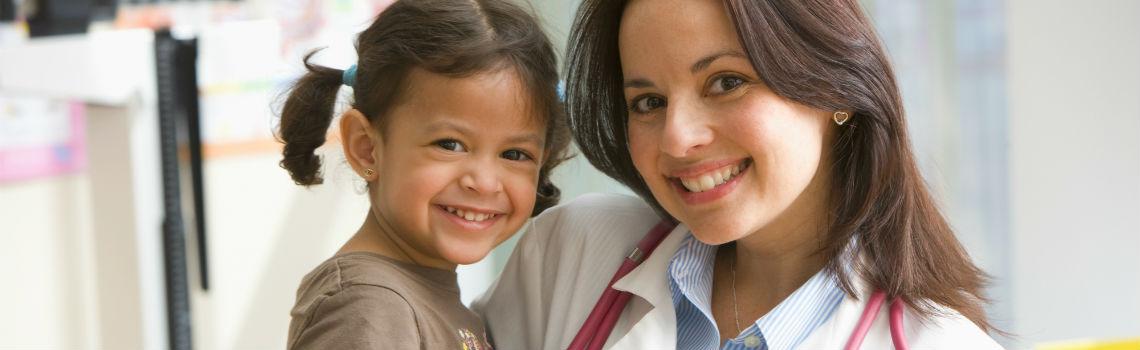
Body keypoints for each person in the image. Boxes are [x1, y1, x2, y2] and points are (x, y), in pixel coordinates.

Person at [474, 0, 1003, 348]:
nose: (678, 138)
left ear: (836, 90)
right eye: (648, 101)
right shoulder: (576, 252)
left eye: (726, 82)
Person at [277, 0, 569, 348]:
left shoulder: (414, 297)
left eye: (515, 154)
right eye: (449, 144)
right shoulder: (370, 306)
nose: (485, 182)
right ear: (366, 147)